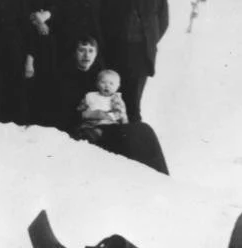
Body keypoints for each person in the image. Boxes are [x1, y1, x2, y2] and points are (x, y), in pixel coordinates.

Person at [56, 35, 169, 175]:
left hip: (109, 124)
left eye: (91, 50)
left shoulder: (101, 77)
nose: (86, 55)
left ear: (96, 53)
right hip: (87, 128)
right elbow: (66, 114)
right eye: (81, 50)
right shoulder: (66, 78)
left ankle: (161, 177)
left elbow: (113, 104)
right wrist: (91, 115)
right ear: (74, 52)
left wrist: (123, 115)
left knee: (144, 130)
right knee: (126, 138)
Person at [99, 0, 169, 123]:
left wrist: (148, 41)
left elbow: (162, 22)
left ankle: (133, 141)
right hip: (114, 53)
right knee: (110, 98)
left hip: (140, 55)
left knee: (133, 102)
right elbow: (100, 19)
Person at [4, 0, 55, 126]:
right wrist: (35, 19)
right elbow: (13, 7)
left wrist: (45, 16)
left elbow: (53, 4)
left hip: (41, 39)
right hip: (18, 37)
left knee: (40, 90)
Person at [77, 69, 128, 139]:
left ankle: (96, 135)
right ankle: (86, 135)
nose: (107, 86)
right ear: (97, 84)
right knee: (83, 127)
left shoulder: (115, 99)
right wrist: (84, 112)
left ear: (117, 86)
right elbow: (81, 108)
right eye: (103, 82)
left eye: (111, 83)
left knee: (112, 129)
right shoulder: (90, 95)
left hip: (108, 123)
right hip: (91, 122)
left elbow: (119, 113)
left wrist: (103, 115)